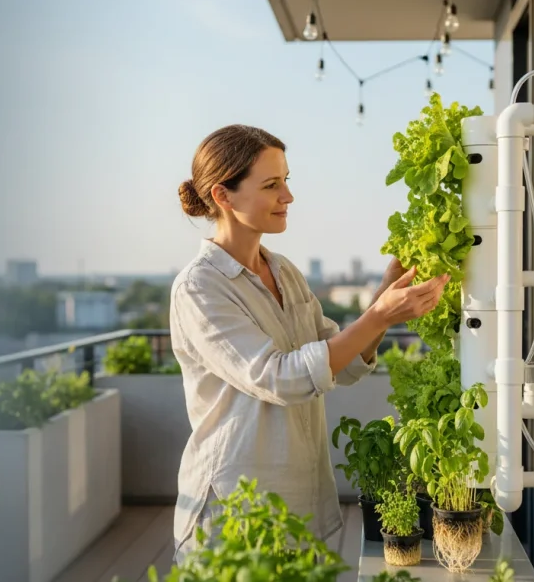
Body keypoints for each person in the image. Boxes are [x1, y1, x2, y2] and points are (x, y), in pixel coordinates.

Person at [169, 125, 449, 563]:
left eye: (286, 180)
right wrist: (380, 315)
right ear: (223, 196)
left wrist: (385, 291)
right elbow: (281, 378)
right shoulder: (199, 288)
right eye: (271, 185)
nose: (288, 196)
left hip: (299, 501)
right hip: (235, 512)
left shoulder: (285, 272)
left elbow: (339, 358)